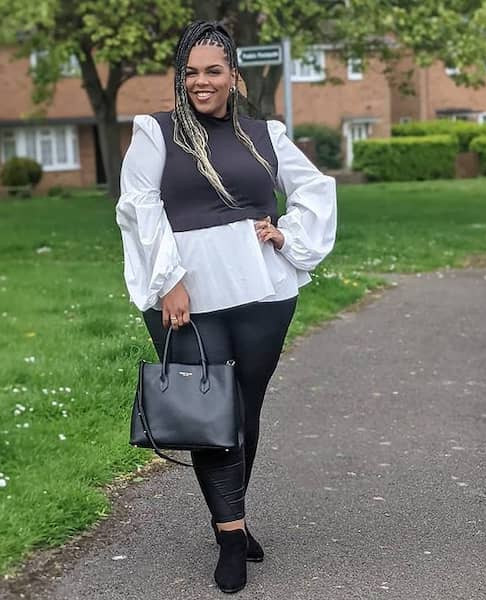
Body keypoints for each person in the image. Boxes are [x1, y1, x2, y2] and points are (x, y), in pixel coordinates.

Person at [116, 20, 337, 594]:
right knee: (209, 415)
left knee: (244, 410)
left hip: (264, 290)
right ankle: (231, 536)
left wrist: (289, 236)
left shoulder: (265, 134)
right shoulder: (156, 132)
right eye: (190, 72)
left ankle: (231, 514)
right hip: (189, 295)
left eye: (213, 71)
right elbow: (139, 206)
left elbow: (314, 187)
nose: (200, 82)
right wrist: (168, 281)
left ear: (234, 77)